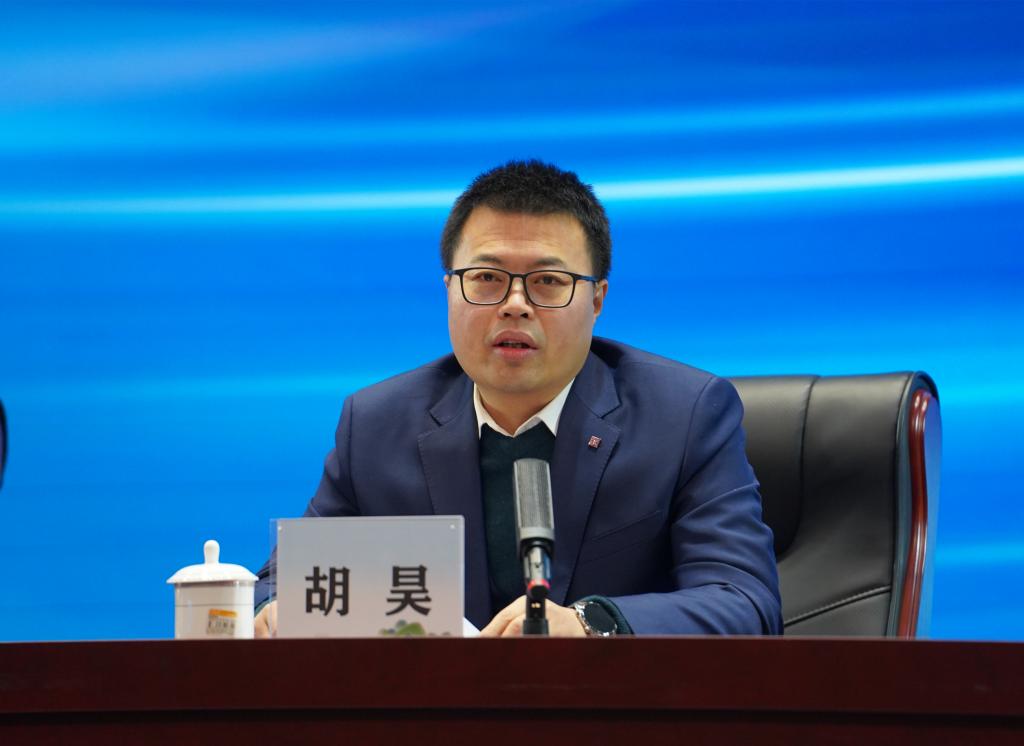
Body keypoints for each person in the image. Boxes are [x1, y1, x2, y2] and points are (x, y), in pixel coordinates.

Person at [255, 160, 781, 637]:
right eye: (486, 278)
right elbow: (279, 585)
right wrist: (276, 610)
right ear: (449, 289)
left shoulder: (684, 416)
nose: (514, 305)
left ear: (597, 299)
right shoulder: (376, 424)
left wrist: (593, 624)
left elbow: (744, 602)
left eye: (548, 281)